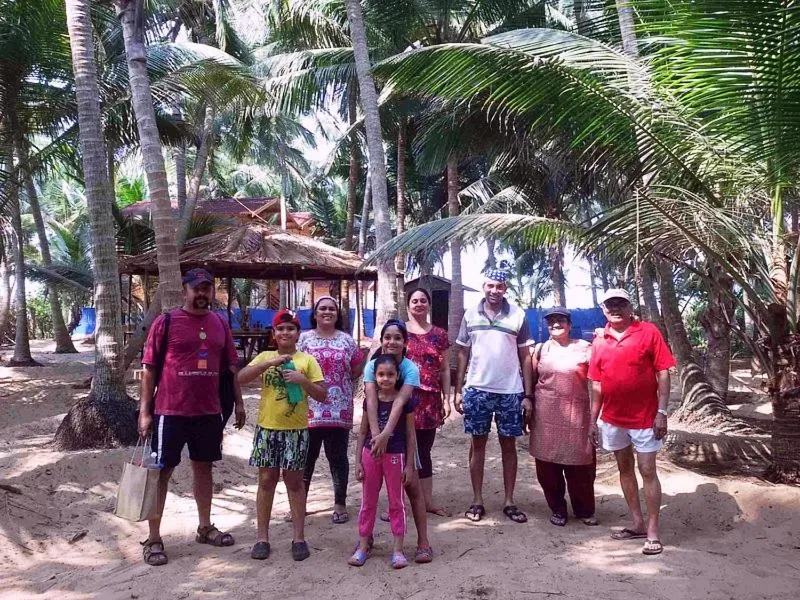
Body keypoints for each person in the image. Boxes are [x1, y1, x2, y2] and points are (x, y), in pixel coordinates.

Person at [137, 268, 246, 567]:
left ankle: (204, 526)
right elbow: (149, 370)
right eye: (197, 289)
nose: (202, 294)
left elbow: (231, 368)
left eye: (207, 289)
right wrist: (145, 412)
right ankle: (154, 537)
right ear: (184, 290)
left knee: (204, 469)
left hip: (208, 411)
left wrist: (238, 404)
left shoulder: (219, 324)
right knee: (161, 473)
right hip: (169, 412)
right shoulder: (166, 321)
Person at [588, 289, 676, 556]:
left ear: (630, 306)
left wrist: (662, 412)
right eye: (610, 304)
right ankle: (636, 523)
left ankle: (652, 531)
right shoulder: (599, 341)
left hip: (645, 418)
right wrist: (592, 421)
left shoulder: (648, 332)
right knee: (624, 469)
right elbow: (596, 384)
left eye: (620, 303)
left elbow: (663, 373)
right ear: (603, 309)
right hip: (613, 419)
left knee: (647, 469)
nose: (615, 308)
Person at [237, 309, 327, 562]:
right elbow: (241, 378)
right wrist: (267, 364)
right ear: (274, 334)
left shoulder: (308, 360)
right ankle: (262, 538)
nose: (285, 332)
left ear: (298, 333)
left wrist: (302, 380)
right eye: (280, 329)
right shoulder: (265, 356)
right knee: (266, 481)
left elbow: (322, 394)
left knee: (295, 483)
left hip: (296, 431)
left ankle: (299, 537)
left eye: (290, 328)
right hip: (268, 429)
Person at [453, 268, 534, 523]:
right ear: (483, 286)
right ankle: (477, 500)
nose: (494, 291)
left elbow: (526, 356)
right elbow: (463, 353)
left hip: (510, 391)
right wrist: (459, 390)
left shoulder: (518, 315)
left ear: (505, 289)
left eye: (499, 286)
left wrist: (528, 394)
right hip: (477, 390)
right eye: (490, 286)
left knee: (509, 447)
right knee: (477, 446)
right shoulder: (470, 314)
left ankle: (509, 501)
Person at [361, 319, 433, 563]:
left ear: (405, 342)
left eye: (397, 337)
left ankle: (423, 542)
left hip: (405, 433)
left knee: (411, 486)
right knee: (370, 494)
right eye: (387, 337)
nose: (392, 341)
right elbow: (370, 400)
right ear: (381, 341)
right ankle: (365, 539)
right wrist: (375, 437)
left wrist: (384, 435)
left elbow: (400, 402)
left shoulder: (411, 369)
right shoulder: (372, 365)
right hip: (378, 437)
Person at [298, 296, 365, 524]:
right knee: (306, 458)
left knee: (337, 458)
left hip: (339, 409)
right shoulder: (303, 340)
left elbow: (356, 369)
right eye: (322, 308)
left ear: (338, 315)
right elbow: (296, 368)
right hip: (309, 410)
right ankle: (300, 504)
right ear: (315, 314)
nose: (327, 312)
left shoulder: (347, 341)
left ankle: (339, 503)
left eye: (332, 309)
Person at [529, 307, 596, 527]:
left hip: (577, 414)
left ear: (569, 324)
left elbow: (598, 380)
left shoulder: (585, 348)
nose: (556, 325)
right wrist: (527, 400)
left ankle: (584, 509)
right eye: (551, 321)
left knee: (581, 463)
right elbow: (530, 377)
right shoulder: (541, 349)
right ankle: (557, 508)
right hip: (546, 414)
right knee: (547, 465)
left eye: (560, 321)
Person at [350, 354, 415, 569]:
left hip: (396, 456)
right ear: (374, 376)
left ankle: (397, 549)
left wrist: (409, 465)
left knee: (396, 502)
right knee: (368, 502)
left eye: (390, 374)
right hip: (371, 456)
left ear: (398, 376)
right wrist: (358, 461)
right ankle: (362, 546)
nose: (385, 379)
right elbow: (362, 433)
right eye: (380, 374)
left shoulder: (404, 403)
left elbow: (410, 435)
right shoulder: (371, 401)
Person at [405, 288, 451, 516]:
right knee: (401, 451)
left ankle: (427, 502)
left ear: (429, 305)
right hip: (403, 401)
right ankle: (401, 502)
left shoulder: (440, 335)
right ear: (408, 305)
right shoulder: (399, 331)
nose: (419, 304)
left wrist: (447, 398)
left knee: (424, 451)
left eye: (423, 300)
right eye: (415, 300)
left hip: (430, 402)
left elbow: (443, 370)